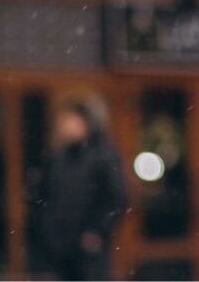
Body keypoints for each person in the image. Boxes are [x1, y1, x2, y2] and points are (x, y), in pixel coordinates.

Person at [32, 97, 129, 281]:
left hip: (89, 248)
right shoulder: (58, 157)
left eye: (71, 121)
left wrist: (96, 231)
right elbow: (46, 195)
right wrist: (48, 231)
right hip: (60, 246)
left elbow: (117, 198)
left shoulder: (103, 155)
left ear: (86, 122)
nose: (67, 126)